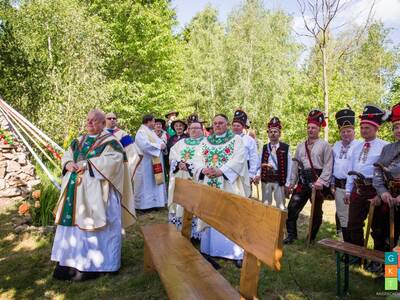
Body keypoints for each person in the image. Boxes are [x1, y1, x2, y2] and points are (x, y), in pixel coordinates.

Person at [51, 109, 135, 281]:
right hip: (74, 194)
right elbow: (67, 155)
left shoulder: (111, 142)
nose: (89, 123)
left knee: (96, 226)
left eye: (94, 121)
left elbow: (114, 162)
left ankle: (100, 265)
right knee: (73, 230)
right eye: (88, 120)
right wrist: (67, 164)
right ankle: (70, 262)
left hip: (98, 194)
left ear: (103, 123)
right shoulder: (78, 141)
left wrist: (87, 164)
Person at [194, 114, 250, 268]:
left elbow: (239, 159)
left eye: (221, 123)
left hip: (228, 184)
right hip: (209, 183)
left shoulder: (236, 140)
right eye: (215, 123)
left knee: (231, 215)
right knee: (209, 212)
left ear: (227, 124)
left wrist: (221, 171)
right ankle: (209, 249)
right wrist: (204, 169)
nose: (217, 125)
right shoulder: (205, 141)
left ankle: (236, 252)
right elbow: (196, 159)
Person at [344, 105, 389, 271]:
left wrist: (380, 194)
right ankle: (357, 255)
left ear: (376, 128)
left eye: (367, 128)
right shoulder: (355, 146)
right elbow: (351, 169)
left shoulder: (385, 146)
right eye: (362, 128)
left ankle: (379, 262)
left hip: (376, 191)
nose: (363, 130)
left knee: (379, 229)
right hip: (358, 189)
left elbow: (387, 174)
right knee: (353, 225)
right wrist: (349, 190)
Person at [284, 109, 333, 244]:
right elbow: (295, 166)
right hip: (303, 181)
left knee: (316, 213)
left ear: (319, 129)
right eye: (309, 128)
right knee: (292, 208)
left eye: (314, 128)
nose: (310, 130)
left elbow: (328, 165)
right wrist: (291, 183)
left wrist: (321, 181)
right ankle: (291, 235)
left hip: (317, 182)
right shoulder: (300, 146)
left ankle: (311, 237)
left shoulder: (325, 146)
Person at [373, 103, 400, 270]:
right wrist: (382, 192)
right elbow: (377, 172)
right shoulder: (388, 149)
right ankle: (390, 279)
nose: (398, 130)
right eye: (396, 127)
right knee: (389, 240)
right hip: (389, 201)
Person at [168, 120, 204, 239]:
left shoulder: (206, 143)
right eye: (191, 128)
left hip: (195, 180)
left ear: (202, 130)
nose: (193, 130)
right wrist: (178, 164)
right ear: (188, 130)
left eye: (196, 128)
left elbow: (205, 160)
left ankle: (195, 233)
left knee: (194, 203)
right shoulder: (181, 143)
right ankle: (179, 229)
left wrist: (189, 166)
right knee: (181, 202)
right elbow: (172, 155)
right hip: (180, 178)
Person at [331, 109, 360, 241]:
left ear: (354, 131)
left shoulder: (359, 145)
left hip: (354, 188)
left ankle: (355, 246)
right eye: (343, 131)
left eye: (349, 131)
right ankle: (345, 243)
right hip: (338, 186)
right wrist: (332, 183)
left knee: (353, 217)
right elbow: (332, 165)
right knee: (342, 216)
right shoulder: (335, 146)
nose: (346, 134)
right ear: (340, 132)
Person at [255, 117, 291, 210]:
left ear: (280, 133)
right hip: (266, 179)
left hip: (280, 180)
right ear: (268, 134)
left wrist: (288, 183)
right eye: (271, 132)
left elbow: (289, 167)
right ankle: (266, 223)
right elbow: (259, 163)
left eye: (275, 132)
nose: (273, 134)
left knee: (281, 206)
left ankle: (281, 224)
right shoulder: (264, 148)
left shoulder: (286, 148)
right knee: (265, 205)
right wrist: (257, 175)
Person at [134, 114, 167, 210]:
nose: (154, 123)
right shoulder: (141, 132)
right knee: (146, 183)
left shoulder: (150, 132)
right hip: (146, 163)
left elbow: (159, 141)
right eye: (153, 121)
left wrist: (162, 144)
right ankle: (145, 206)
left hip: (154, 162)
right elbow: (144, 145)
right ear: (148, 122)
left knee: (154, 183)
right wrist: (159, 146)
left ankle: (156, 203)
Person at [105, 112, 142, 181]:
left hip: (119, 167)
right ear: (105, 120)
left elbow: (132, 152)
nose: (112, 120)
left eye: (114, 118)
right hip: (103, 167)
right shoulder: (100, 134)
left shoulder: (122, 134)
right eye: (109, 118)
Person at [231, 109, 259, 195]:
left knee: (245, 195)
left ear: (243, 127)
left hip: (245, 170)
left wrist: (251, 175)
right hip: (230, 170)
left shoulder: (249, 140)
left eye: (238, 126)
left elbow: (254, 158)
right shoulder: (227, 139)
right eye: (234, 125)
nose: (236, 127)